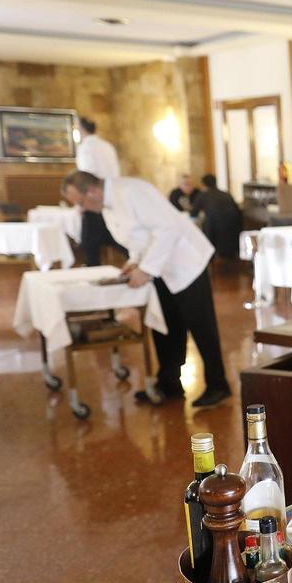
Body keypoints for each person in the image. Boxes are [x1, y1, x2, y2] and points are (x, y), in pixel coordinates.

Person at [62, 171, 232, 408]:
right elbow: (138, 237)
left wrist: (147, 269)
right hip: (159, 266)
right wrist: (135, 260)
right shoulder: (107, 205)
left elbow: (167, 230)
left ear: (91, 191)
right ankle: (169, 382)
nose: (81, 208)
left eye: (80, 202)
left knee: (201, 325)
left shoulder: (132, 191)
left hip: (186, 262)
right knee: (166, 326)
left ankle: (218, 385)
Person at [74, 117, 126, 266]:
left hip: (94, 198)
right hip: (112, 194)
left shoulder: (86, 148)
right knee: (116, 235)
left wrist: (82, 202)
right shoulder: (107, 146)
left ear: (82, 129)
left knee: (91, 243)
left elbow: (86, 177)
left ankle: (92, 270)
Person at [197, 174, 243, 259]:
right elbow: (237, 210)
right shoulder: (226, 194)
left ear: (204, 185)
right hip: (234, 231)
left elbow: (194, 212)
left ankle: (209, 259)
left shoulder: (204, 195)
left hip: (214, 233)